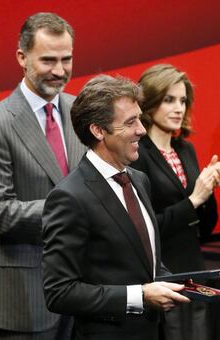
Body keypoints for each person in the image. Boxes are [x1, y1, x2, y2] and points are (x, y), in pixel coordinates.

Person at [42, 75, 190, 340]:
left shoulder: (139, 180)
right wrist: (140, 296)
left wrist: (176, 282)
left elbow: (142, 260)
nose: (142, 130)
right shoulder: (69, 197)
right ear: (98, 130)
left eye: (140, 119)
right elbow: (59, 292)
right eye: (130, 122)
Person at [0, 13, 85, 339]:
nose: (60, 71)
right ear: (22, 57)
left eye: (67, 59)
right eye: (48, 60)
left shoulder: (81, 112)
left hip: (86, 295)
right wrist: (78, 208)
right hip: (25, 301)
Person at [131, 64, 220, 340]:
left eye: (183, 100)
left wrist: (208, 193)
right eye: (169, 99)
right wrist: (195, 198)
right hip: (159, 279)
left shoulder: (186, 149)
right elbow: (146, 228)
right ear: (149, 104)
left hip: (193, 272)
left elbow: (205, 228)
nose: (179, 108)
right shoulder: (137, 155)